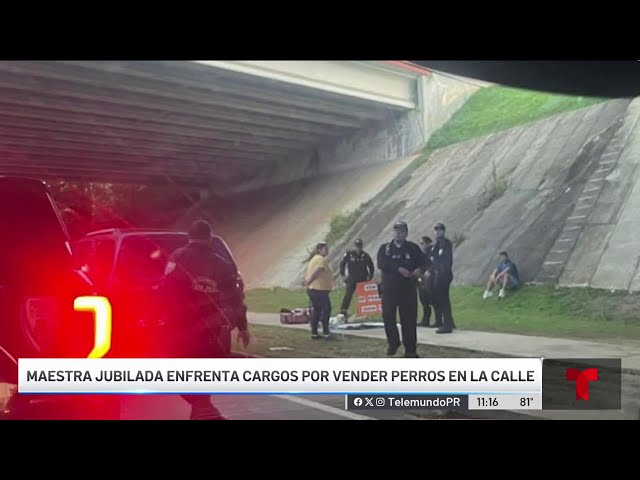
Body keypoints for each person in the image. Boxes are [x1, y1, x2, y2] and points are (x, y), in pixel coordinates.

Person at [160, 219, 251, 420]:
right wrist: (243, 327)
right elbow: (237, 297)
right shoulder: (223, 263)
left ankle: (203, 409)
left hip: (181, 328)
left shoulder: (177, 257)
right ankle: (203, 408)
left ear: (190, 237)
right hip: (213, 331)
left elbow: (165, 289)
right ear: (209, 238)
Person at [376, 221, 427, 358]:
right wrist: (398, 269)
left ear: (406, 233)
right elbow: (382, 263)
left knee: (409, 319)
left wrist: (419, 270)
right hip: (390, 290)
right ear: (393, 233)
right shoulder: (385, 249)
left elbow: (425, 262)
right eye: (396, 231)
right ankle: (393, 342)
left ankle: (410, 349)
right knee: (388, 316)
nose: (399, 234)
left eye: (402, 231)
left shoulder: (412, 248)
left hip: (407, 289)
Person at [302, 242, 333, 339]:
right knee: (326, 309)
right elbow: (318, 271)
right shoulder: (321, 260)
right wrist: (309, 281)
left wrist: (308, 283)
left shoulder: (313, 259)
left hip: (313, 289)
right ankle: (326, 332)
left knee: (317, 310)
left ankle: (314, 333)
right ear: (319, 250)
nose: (327, 251)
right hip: (319, 289)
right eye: (325, 249)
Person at [339, 238, 375, 317]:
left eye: (360, 246)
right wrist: (343, 275)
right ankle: (343, 311)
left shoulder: (365, 255)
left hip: (362, 279)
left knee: (362, 297)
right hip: (352, 278)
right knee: (348, 294)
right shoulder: (349, 254)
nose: (358, 248)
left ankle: (362, 312)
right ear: (354, 246)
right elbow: (342, 264)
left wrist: (370, 276)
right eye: (357, 246)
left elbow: (371, 266)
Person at [430, 223, 455, 334]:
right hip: (437, 274)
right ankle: (448, 321)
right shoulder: (436, 244)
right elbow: (433, 258)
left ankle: (447, 324)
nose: (437, 232)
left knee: (444, 299)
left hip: (443, 274)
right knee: (440, 299)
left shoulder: (446, 243)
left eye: (439, 230)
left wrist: (440, 271)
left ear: (443, 231)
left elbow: (445, 260)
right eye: (436, 230)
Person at [417, 236, 433, 327]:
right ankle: (425, 319)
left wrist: (429, 271)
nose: (421, 246)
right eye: (420, 244)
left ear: (427, 244)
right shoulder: (421, 255)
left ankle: (438, 320)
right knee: (423, 300)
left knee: (431, 300)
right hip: (421, 278)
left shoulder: (431, 253)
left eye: (422, 243)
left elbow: (434, 263)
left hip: (430, 278)